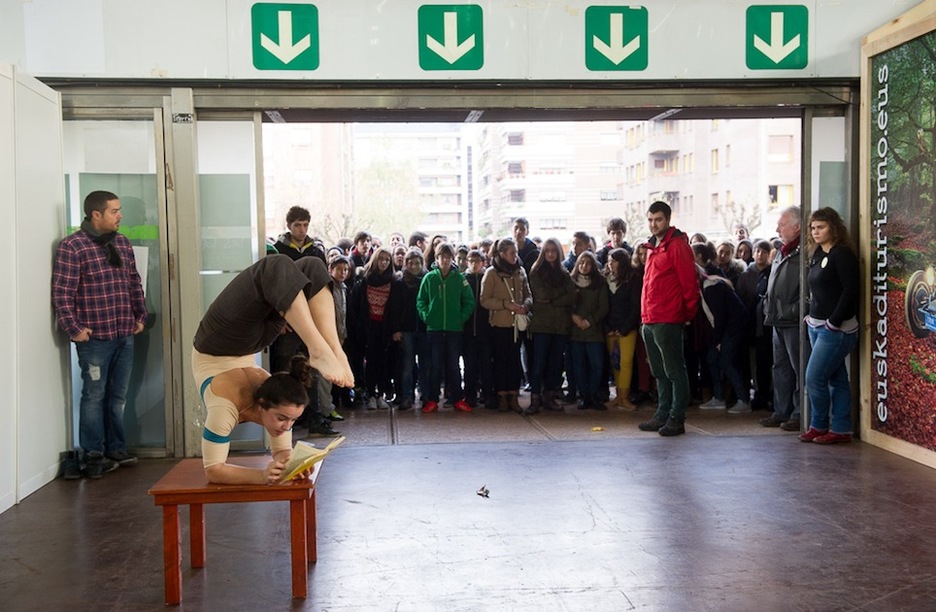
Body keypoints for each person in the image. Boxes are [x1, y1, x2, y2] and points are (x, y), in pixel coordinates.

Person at [192, 255, 353, 484]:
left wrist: (293, 465)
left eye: (292, 421)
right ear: (262, 405)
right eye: (283, 419)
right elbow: (214, 470)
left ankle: (331, 349)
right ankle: (323, 349)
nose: (286, 427)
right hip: (219, 340)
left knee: (301, 267)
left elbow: (281, 454)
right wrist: (262, 475)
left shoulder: (248, 406)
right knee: (295, 266)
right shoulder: (241, 406)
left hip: (238, 340)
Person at [52, 190, 148, 478]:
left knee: (118, 396)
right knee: (94, 396)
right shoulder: (73, 246)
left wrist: (139, 316)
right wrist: (74, 329)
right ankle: (93, 453)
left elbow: (134, 282)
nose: (120, 216)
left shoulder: (122, 243)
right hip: (94, 339)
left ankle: (116, 448)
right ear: (96, 214)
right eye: (114, 211)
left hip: (124, 334)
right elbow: (62, 293)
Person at [637, 201, 700, 437]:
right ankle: (663, 413)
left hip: (668, 318)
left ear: (668, 219)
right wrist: (644, 317)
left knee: (674, 370)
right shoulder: (652, 246)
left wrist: (687, 314)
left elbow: (689, 282)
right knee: (659, 371)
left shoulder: (677, 245)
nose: (654, 224)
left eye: (658, 220)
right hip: (650, 318)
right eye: (650, 220)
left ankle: (676, 417)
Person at [799, 208, 860, 444]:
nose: (815, 232)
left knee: (814, 378)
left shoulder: (842, 254)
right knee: (837, 378)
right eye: (813, 228)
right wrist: (809, 316)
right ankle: (840, 429)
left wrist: (833, 322)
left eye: (821, 227)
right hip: (816, 326)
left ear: (833, 227)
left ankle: (820, 424)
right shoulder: (816, 253)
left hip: (836, 329)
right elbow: (816, 290)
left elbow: (850, 291)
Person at [760, 206, 809, 432]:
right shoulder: (781, 251)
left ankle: (799, 414)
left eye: (781, 225)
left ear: (797, 227)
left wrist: (793, 311)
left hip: (793, 320)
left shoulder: (805, 252)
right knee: (780, 367)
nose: (777, 229)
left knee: (799, 368)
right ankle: (781, 411)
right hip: (777, 319)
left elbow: (808, 290)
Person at [416, 242, 475, 413]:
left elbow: (469, 301)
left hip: (454, 330)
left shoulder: (459, 279)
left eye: (449, 257)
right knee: (435, 366)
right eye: (442, 257)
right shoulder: (429, 278)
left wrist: (461, 318)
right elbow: (421, 301)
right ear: (437, 258)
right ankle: (432, 399)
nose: (445, 260)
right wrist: (427, 317)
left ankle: (458, 399)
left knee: (454, 366)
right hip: (434, 330)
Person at [480, 238, 532, 413]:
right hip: (499, 325)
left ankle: (513, 394)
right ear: (502, 254)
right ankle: (502, 395)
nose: (515, 256)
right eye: (512, 253)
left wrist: (526, 306)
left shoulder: (521, 271)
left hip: (517, 325)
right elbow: (484, 300)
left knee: (514, 360)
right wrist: (505, 305)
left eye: (516, 252)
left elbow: (528, 294)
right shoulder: (491, 273)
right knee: (501, 360)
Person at [526, 238, 575, 413]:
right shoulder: (536, 271)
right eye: (548, 251)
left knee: (555, 365)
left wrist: (553, 300)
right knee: (539, 364)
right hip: (542, 325)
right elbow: (541, 294)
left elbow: (572, 296)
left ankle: (549, 397)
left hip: (560, 325)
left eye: (554, 251)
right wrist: (560, 295)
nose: (551, 254)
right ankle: (535, 399)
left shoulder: (564, 273)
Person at [348, 247, 399, 410]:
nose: (384, 262)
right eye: (381, 259)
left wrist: (394, 329)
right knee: (369, 361)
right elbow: (356, 306)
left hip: (385, 328)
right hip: (368, 327)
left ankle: (381, 394)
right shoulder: (364, 280)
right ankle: (370, 394)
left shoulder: (393, 281)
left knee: (383, 361)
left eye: (387, 260)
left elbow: (395, 308)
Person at [696, 268, 751, 414]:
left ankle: (743, 400)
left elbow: (720, 316)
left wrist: (718, 340)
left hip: (734, 327)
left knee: (726, 362)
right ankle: (719, 397)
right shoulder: (703, 288)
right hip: (725, 328)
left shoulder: (711, 287)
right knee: (712, 358)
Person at [567, 251, 609, 410]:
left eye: (588, 263)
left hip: (594, 331)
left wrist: (589, 321)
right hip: (575, 331)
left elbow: (603, 307)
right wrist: (574, 317)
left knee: (597, 364)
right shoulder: (570, 282)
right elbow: (566, 304)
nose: (584, 266)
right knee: (579, 366)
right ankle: (584, 396)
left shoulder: (600, 282)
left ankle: (593, 395)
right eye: (581, 262)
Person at [736, 240, 774, 411]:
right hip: (750, 324)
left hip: (766, 325)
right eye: (758, 251)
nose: (760, 255)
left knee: (768, 361)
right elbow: (740, 299)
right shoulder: (745, 275)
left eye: (764, 252)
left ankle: (769, 393)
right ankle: (758, 392)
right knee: (753, 362)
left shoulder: (771, 272)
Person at [389, 248, 429, 411]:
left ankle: (426, 396)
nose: (414, 266)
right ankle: (406, 396)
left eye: (417, 263)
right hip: (406, 329)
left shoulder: (428, 280)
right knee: (407, 365)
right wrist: (396, 329)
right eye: (410, 263)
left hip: (424, 329)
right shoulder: (400, 283)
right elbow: (394, 309)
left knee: (426, 365)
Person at [604, 248, 642, 410]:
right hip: (610, 328)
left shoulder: (632, 279)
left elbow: (635, 307)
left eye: (614, 261)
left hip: (627, 328)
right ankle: (618, 396)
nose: (610, 264)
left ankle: (624, 397)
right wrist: (608, 327)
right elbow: (603, 306)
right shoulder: (605, 279)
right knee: (615, 362)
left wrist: (624, 328)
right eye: (609, 261)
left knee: (626, 362)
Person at [462, 249, 494, 409]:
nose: (474, 265)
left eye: (478, 261)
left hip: (485, 330)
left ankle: (487, 394)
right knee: (470, 366)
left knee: (486, 364)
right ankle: (470, 395)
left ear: (484, 263)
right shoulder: (463, 279)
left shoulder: (487, 279)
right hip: (468, 331)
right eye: (471, 261)